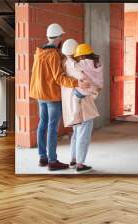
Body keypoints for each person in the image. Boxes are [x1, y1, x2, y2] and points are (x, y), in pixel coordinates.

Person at [29, 23, 91, 171]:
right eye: (62, 36)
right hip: (51, 95)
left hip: (39, 94)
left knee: (42, 124)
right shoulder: (54, 55)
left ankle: (42, 158)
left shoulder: (39, 53)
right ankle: (52, 161)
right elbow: (59, 78)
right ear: (59, 37)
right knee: (52, 127)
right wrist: (77, 82)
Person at [60, 41, 103, 173]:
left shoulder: (67, 64)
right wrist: (94, 89)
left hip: (73, 105)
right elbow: (87, 84)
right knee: (83, 135)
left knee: (76, 134)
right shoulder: (77, 67)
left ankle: (73, 160)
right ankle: (80, 164)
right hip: (83, 105)